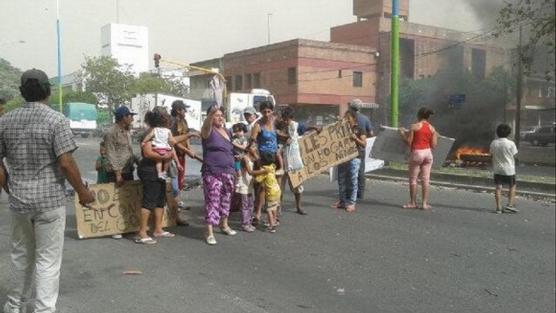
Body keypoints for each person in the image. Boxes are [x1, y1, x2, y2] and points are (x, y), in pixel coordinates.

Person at [0, 68, 95, 313]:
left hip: (19, 200)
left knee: (21, 256)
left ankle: (14, 307)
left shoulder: (5, 120)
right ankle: (43, 310)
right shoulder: (56, 120)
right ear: (48, 91)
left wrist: (8, 186)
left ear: (22, 92)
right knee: (47, 260)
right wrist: (83, 192)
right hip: (49, 202)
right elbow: (65, 162)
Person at [135, 107, 178, 244]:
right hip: (149, 169)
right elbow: (147, 153)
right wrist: (166, 155)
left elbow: (173, 144)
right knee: (149, 199)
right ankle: (142, 232)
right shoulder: (150, 133)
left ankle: (158, 229)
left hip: (160, 170)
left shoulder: (164, 133)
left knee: (160, 198)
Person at [201, 106, 238, 245]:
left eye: (221, 115)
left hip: (228, 170)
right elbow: (206, 127)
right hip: (212, 171)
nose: (220, 117)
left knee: (226, 198)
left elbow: (231, 149)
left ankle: (224, 224)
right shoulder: (208, 130)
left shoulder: (227, 131)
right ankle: (209, 231)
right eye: (216, 115)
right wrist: (211, 113)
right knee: (212, 199)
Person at [248, 101, 283, 224]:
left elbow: (285, 132)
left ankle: (275, 214)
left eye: (269, 111)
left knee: (275, 187)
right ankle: (257, 214)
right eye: (264, 112)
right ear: (261, 112)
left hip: (274, 158)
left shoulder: (275, 122)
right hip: (262, 159)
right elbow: (251, 144)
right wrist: (256, 159)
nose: (267, 114)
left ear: (272, 111)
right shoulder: (258, 125)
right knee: (262, 188)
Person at [399, 107, 438, 210]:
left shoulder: (414, 126)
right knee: (425, 180)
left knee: (413, 179)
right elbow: (434, 145)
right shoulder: (432, 128)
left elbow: (409, 142)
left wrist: (402, 133)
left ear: (418, 115)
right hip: (428, 154)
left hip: (417, 153)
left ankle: (412, 202)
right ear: (428, 117)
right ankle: (425, 204)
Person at [332, 110, 367, 213]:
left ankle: (352, 203)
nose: (346, 120)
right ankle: (342, 202)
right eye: (345, 118)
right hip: (343, 157)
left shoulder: (360, 129)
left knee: (353, 180)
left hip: (355, 158)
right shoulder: (342, 130)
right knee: (341, 180)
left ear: (354, 119)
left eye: (348, 118)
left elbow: (364, 144)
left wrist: (355, 138)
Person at [277, 106, 307, 215]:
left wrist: (316, 128)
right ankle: (278, 207)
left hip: (294, 160)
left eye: (287, 118)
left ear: (291, 117)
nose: (285, 120)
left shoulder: (297, 126)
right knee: (280, 186)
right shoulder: (279, 126)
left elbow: (307, 129)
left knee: (297, 185)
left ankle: (299, 206)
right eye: (284, 118)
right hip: (282, 160)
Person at [141, 110, 182, 181]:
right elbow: (172, 140)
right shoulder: (168, 131)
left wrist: (144, 142)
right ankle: (164, 172)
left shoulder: (154, 130)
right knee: (167, 160)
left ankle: (159, 173)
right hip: (165, 149)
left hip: (157, 148)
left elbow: (149, 136)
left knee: (158, 161)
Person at [103, 105, 138, 186]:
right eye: (131, 116)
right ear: (124, 117)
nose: (132, 119)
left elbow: (129, 150)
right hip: (116, 173)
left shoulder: (126, 131)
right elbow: (111, 153)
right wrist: (118, 175)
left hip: (128, 170)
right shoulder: (111, 132)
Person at [490, 124, 519, 214]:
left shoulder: (493, 143)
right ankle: (510, 205)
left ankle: (498, 208)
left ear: (497, 132)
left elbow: (491, 154)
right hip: (509, 169)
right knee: (512, 186)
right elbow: (515, 154)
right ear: (509, 133)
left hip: (497, 169)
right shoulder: (511, 143)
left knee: (498, 187)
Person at [348, 99, 374, 200]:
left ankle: (350, 192)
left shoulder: (348, 118)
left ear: (351, 108)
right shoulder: (365, 119)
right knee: (361, 171)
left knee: (349, 171)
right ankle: (360, 193)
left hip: (348, 149)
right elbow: (371, 133)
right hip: (361, 149)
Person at [254, 152, 282, 233]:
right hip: (277, 190)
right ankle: (275, 221)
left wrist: (255, 173)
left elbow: (257, 180)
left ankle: (271, 226)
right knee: (274, 207)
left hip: (271, 193)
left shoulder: (264, 170)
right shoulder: (272, 166)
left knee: (269, 209)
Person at [236, 146, 259, 232]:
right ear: (248, 149)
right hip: (243, 184)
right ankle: (245, 224)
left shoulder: (252, 158)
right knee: (244, 205)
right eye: (253, 147)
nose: (255, 148)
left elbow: (259, 162)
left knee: (250, 204)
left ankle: (249, 222)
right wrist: (264, 172)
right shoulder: (245, 158)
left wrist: (256, 155)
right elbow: (249, 171)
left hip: (249, 184)